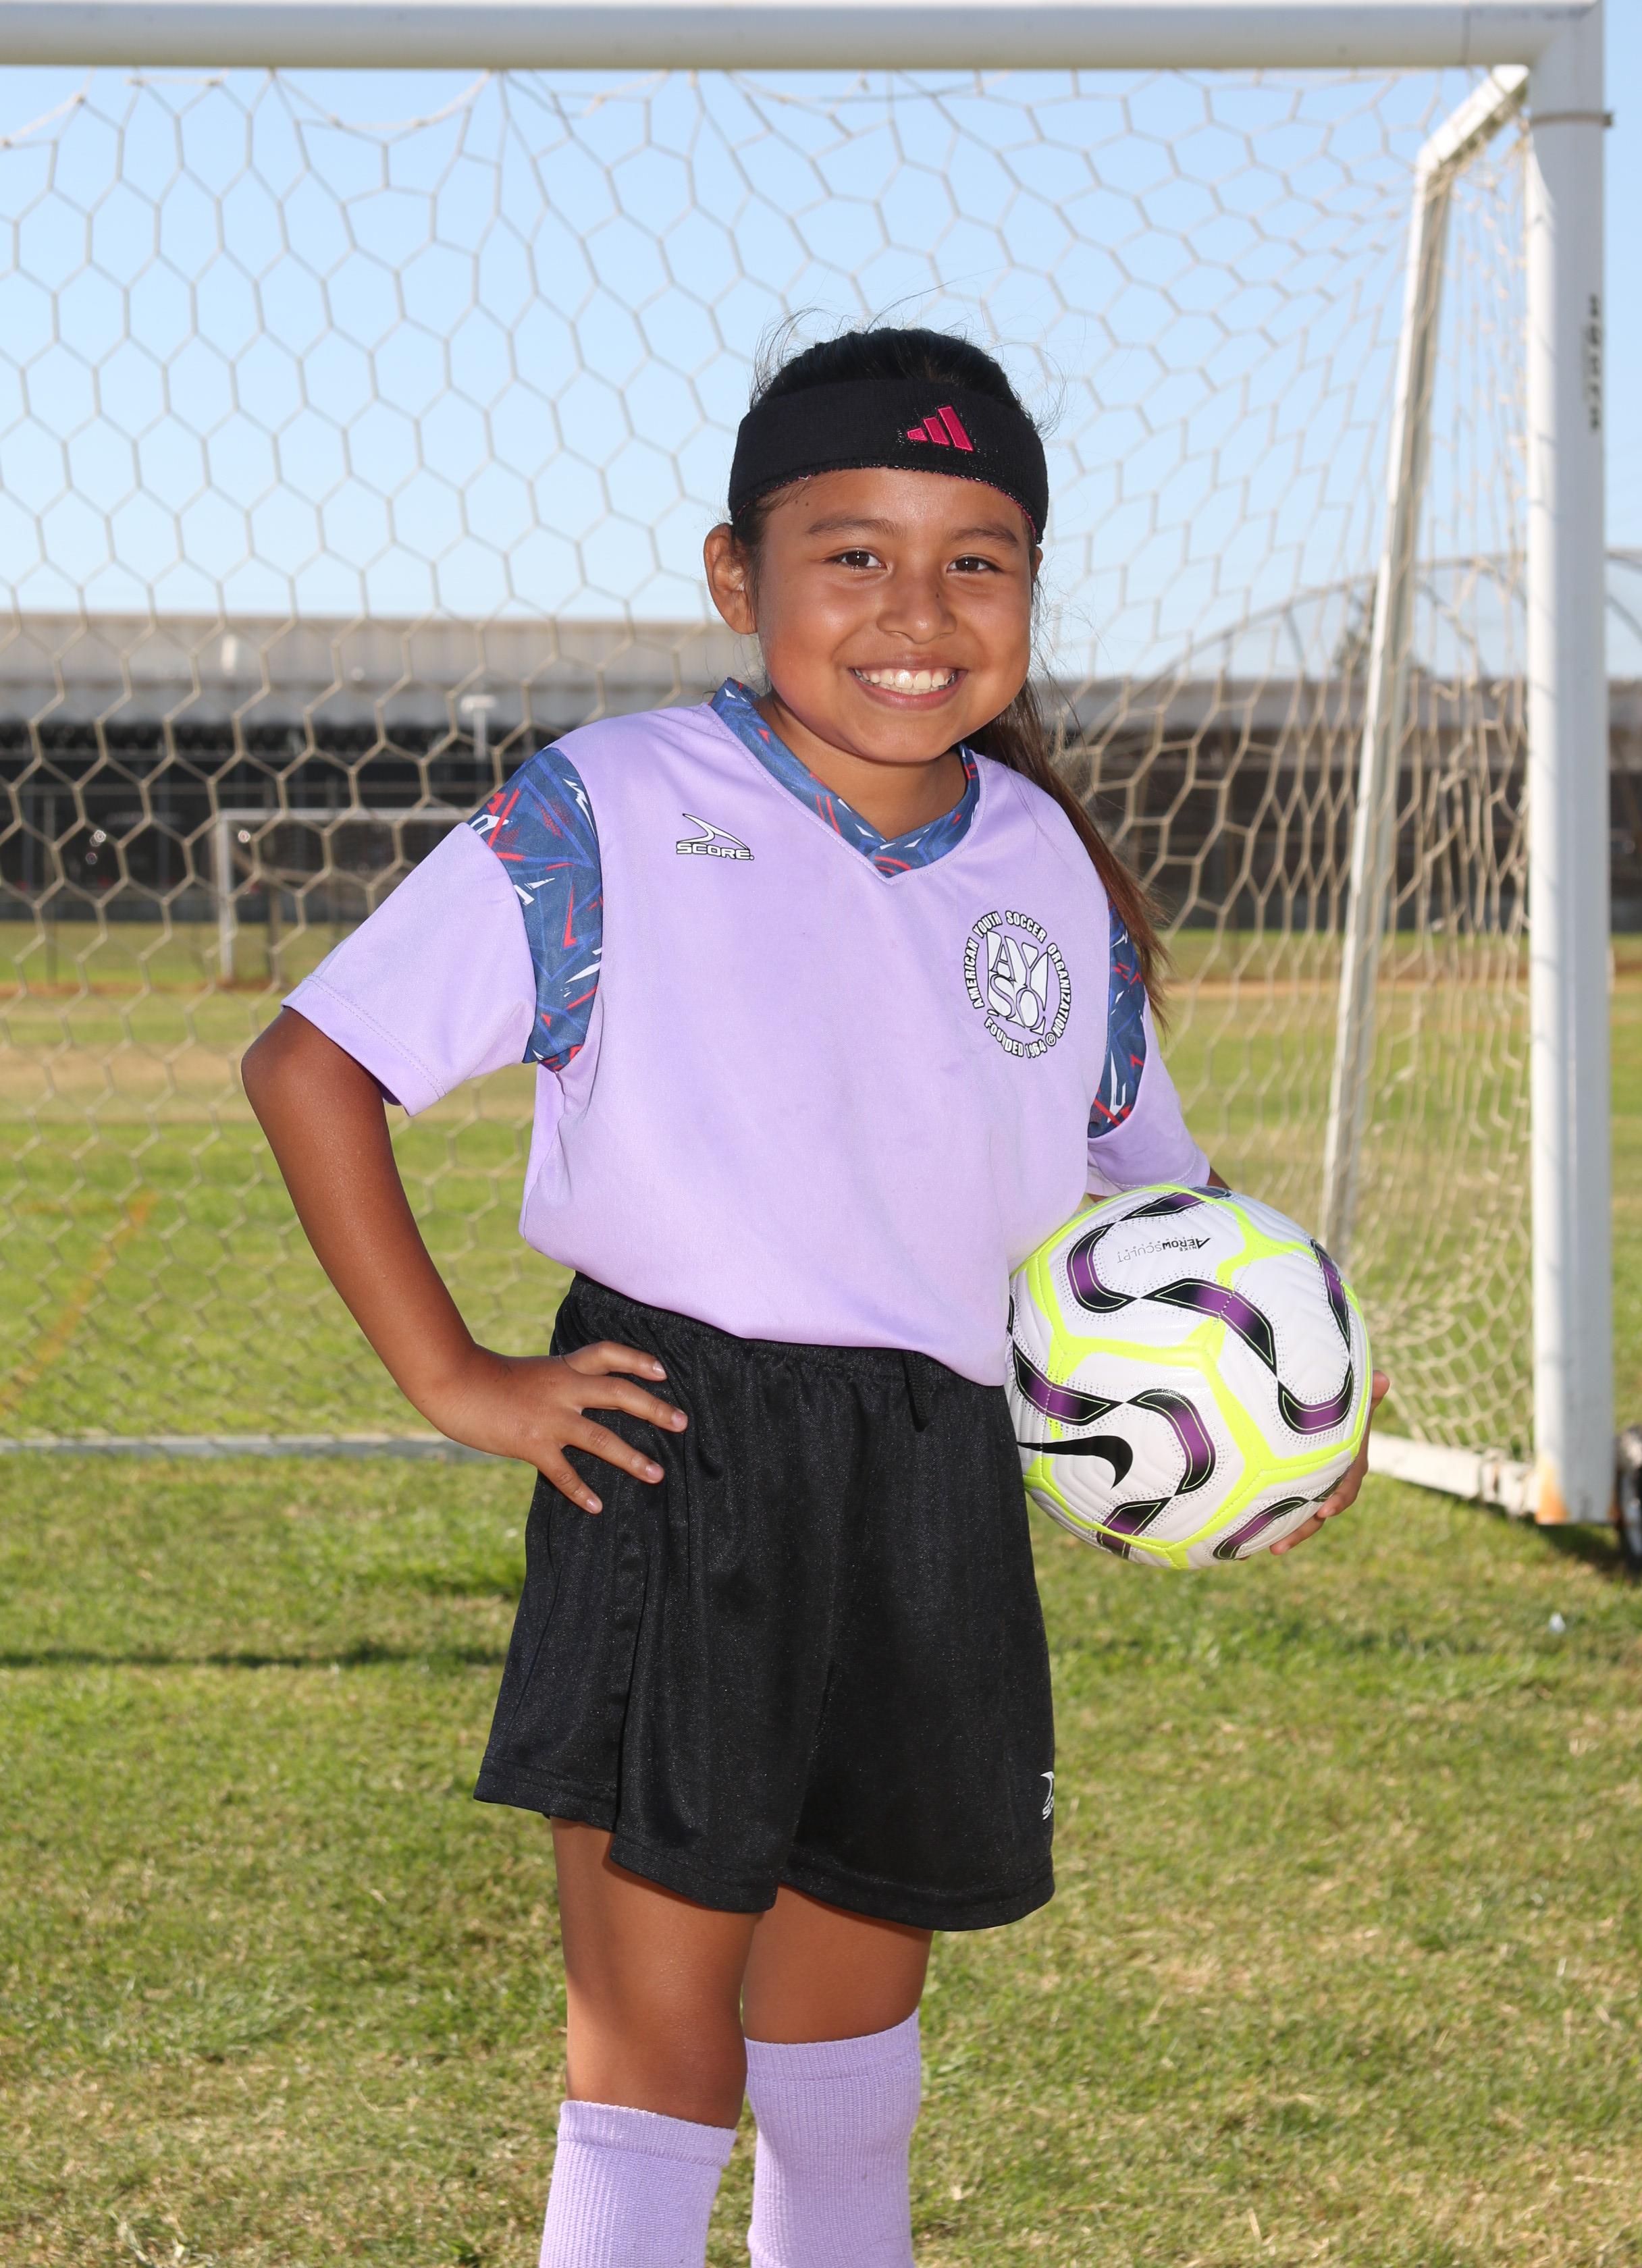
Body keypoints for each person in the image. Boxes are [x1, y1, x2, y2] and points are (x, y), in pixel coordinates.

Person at [242, 325, 1375, 2268]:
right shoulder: (609, 807)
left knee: (850, 2062)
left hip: (935, 1476)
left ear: (1030, 588)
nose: (915, 612)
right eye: (852, 554)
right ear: (735, 573)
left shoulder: (1048, 862)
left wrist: (1280, 1415)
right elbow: (310, 1066)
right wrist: (457, 1377)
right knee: (658, 2054)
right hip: (683, 1458)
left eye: (975, 561)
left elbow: (1153, 1204)